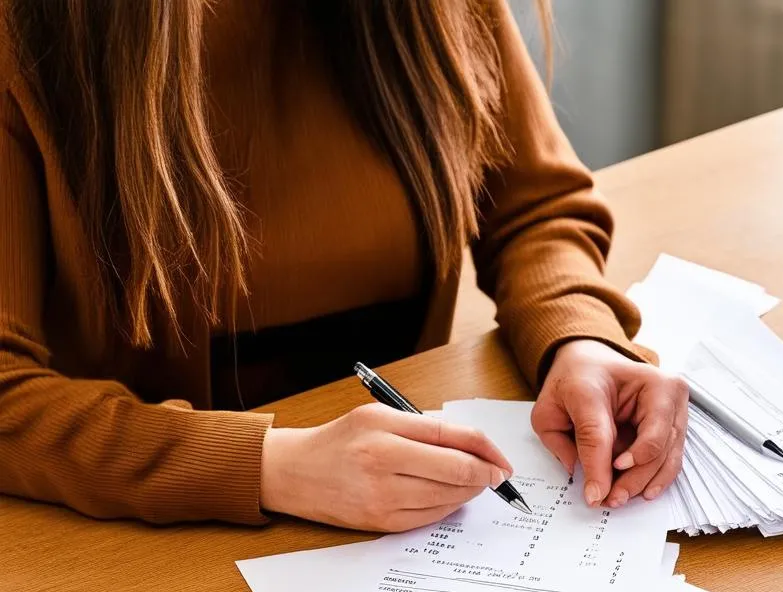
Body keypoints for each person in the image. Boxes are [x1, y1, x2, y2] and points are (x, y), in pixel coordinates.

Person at [0, 0, 687, 532]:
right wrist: (270, 468)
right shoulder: (24, 31)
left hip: (405, 529)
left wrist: (579, 338)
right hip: (143, 551)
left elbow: (535, 208)